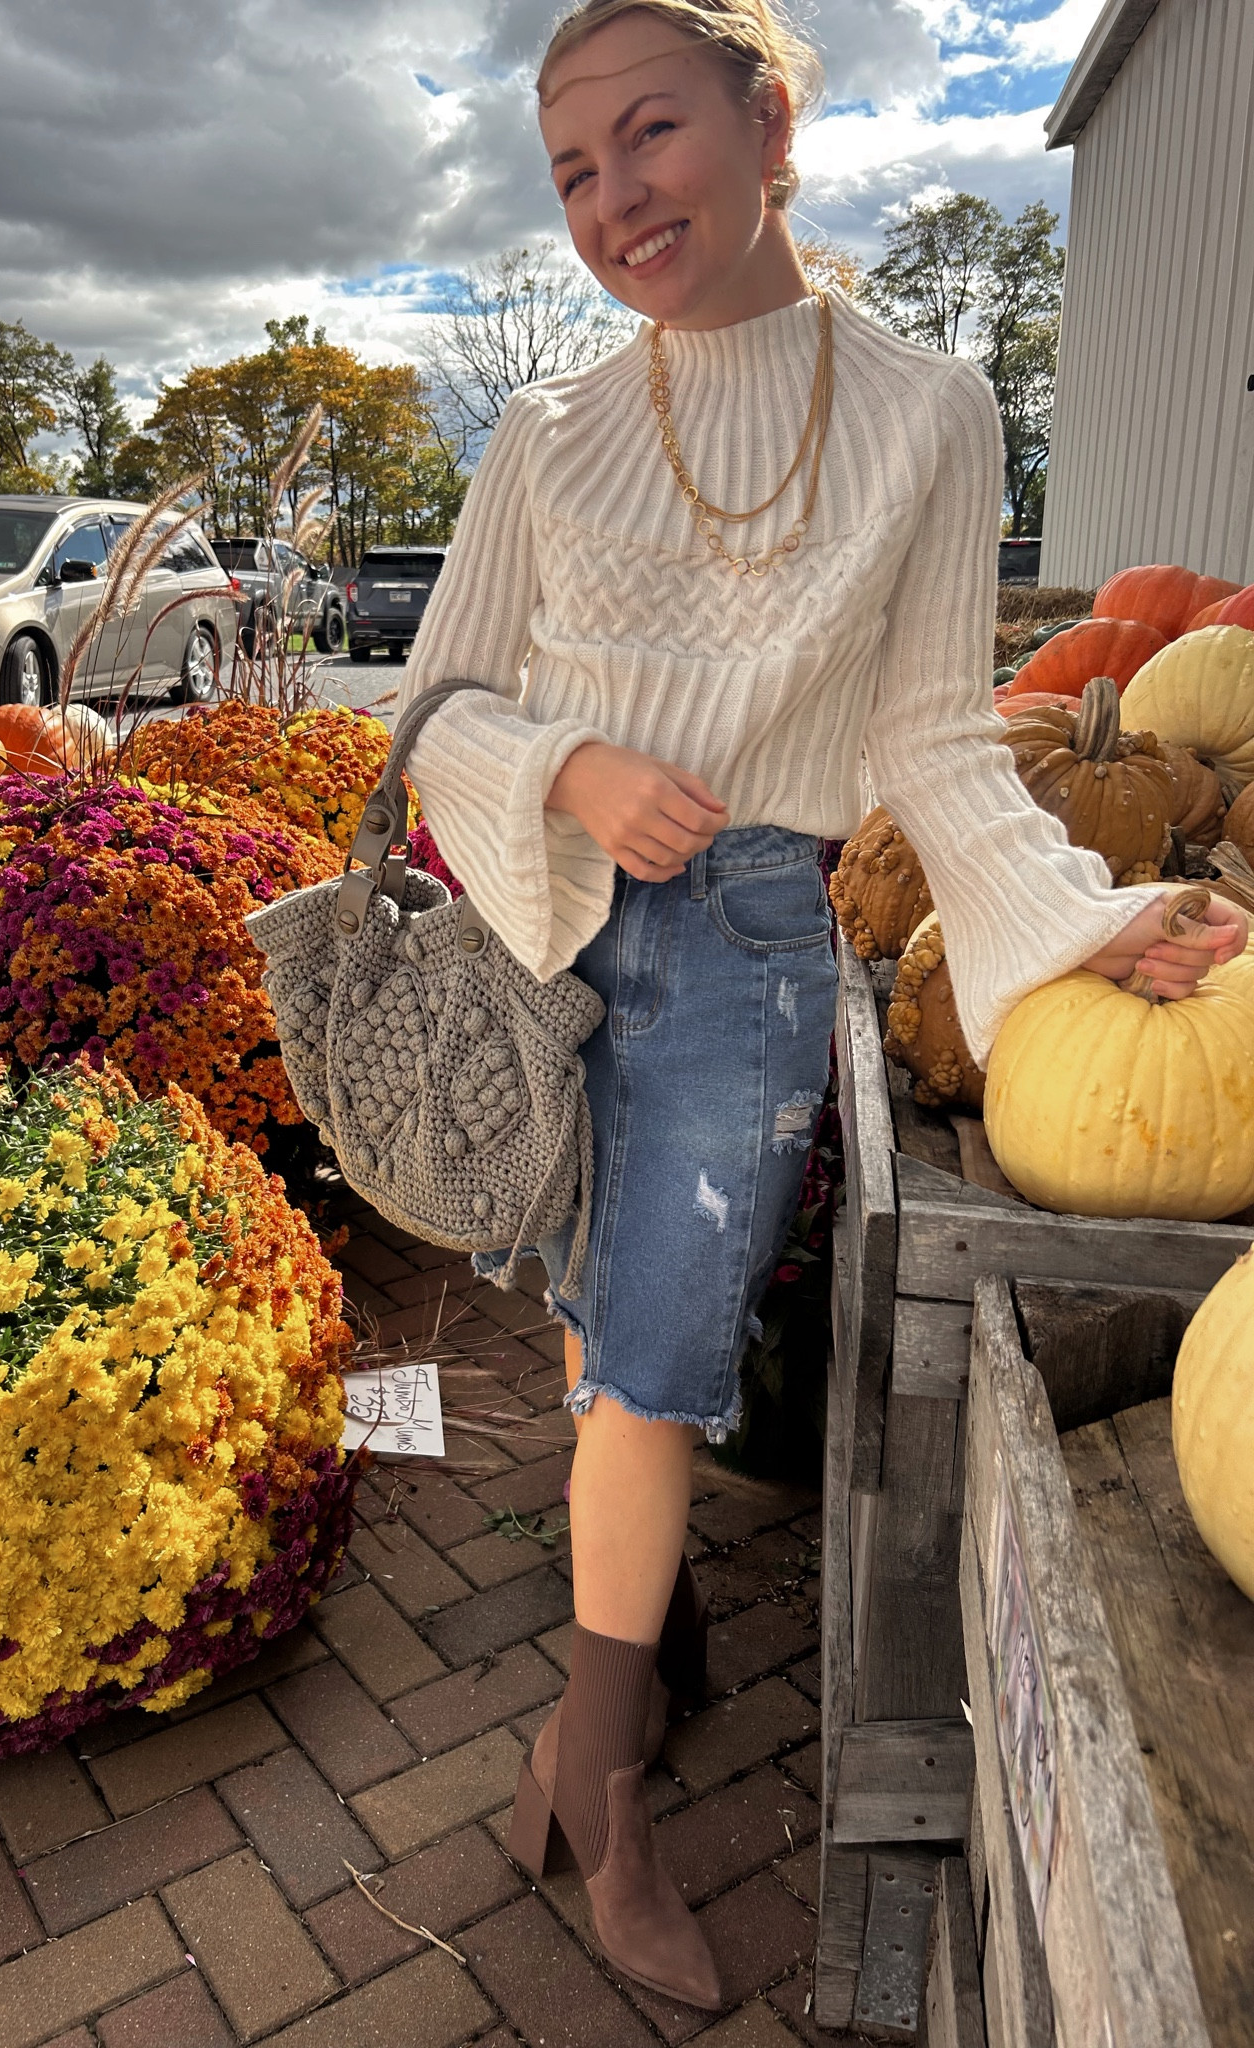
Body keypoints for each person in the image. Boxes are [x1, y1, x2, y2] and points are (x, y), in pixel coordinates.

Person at [399, 0, 1249, 2011]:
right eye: (572, 173)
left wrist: (1082, 914)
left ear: (771, 119)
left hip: (754, 944)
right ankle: (654, 1651)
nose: (614, 200)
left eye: (649, 135)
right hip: (551, 926)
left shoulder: (931, 417)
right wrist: (569, 770)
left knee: (661, 1354)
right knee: (606, 1324)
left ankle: (592, 1785)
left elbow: (944, 746)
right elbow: (436, 706)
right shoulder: (548, 432)